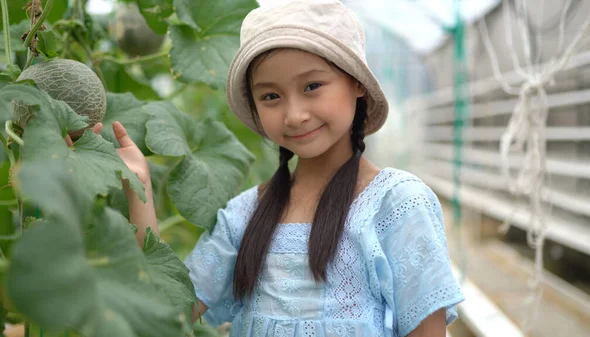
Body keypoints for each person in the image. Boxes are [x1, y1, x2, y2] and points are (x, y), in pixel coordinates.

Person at [81, 1, 465, 336]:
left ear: (357, 83)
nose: (295, 115)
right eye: (271, 96)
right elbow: (169, 308)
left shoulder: (397, 204)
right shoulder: (244, 215)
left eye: (312, 86)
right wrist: (139, 186)